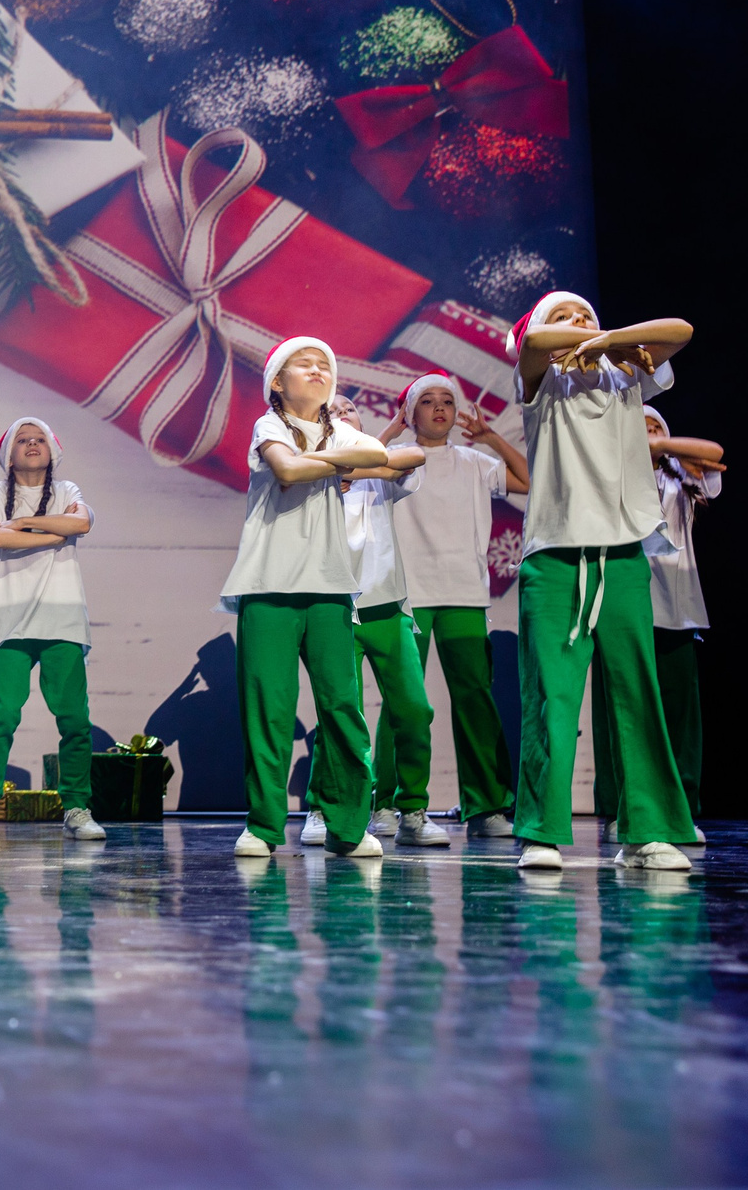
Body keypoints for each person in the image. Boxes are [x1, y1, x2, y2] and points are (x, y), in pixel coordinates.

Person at [506, 290, 697, 873]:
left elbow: (681, 326)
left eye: (585, 314)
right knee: (551, 698)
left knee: (638, 692)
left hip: (623, 553)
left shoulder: (623, 375)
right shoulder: (541, 381)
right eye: (563, 315)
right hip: (557, 554)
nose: (577, 323)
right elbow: (533, 344)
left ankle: (647, 832)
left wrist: (609, 343)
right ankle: (541, 833)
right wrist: (588, 338)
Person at [220, 338, 394, 861]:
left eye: (326, 365)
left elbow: (381, 455)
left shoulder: (339, 428)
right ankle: (264, 826)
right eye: (305, 365)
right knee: (269, 710)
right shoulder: (268, 425)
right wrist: (341, 461)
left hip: (329, 587)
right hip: (269, 584)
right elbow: (288, 471)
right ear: (278, 382)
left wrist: (334, 456)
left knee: (342, 708)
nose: (318, 370)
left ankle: (347, 825)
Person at [386, 374, 528, 837]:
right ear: (410, 413)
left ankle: (486, 807)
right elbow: (353, 472)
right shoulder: (395, 459)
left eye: (447, 400)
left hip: (463, 593)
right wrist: (388, 431)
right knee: (404, 704)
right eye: (426, 401)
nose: (440, 408)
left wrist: (491, 437)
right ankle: (391, 804)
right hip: (409, 595)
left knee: (475, 700)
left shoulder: (473, 461)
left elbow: (527, 481)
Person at [0, 416, 105, 844]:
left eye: (40, 439)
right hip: (11, 618)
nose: (33, 444)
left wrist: (21, 525)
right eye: (23, 440)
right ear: (9, 453)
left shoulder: (67, 491)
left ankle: (77, 807)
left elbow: (80, 524)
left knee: (74, 719)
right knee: (2, 715)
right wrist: (49, 532)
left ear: (53, 449)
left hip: (62, 618)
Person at [301, 399, 439, 846]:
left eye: (350, 408)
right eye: (332, 410)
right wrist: (335, 469)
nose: (342, 412)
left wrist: (363, 463)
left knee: (415, 711)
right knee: (339, 715)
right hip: (335, 609)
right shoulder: (309, 473)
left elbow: (412, 458)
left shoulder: (380, 469)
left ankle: (409, 808)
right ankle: (323, 807)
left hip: (386, 609)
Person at [589, 407, 722, 836]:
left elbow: (715, 452)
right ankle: (619, 807)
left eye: (656, 428)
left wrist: (661, 444)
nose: (648, 436)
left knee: (679, 715)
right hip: (621, 608)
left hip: (676, 610)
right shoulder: (610, 475)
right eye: (638, 429)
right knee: (621, 711)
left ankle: (678, 808)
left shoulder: (680, 476)